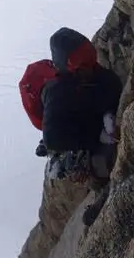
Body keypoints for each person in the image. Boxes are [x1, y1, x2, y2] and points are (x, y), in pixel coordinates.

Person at [19, 28, 123, 226]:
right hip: (67, 124)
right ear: (69, 69)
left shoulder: (87, 71)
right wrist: (97, 136)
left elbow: (110, 84)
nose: (92, 67)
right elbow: (54, 138)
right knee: (96, 162)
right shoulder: (58, 91)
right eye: (85, 65)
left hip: (78, 108)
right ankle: (101, 186)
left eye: (92, 60)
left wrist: (108, 112)